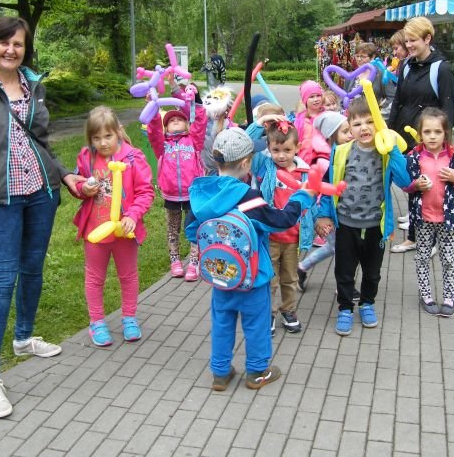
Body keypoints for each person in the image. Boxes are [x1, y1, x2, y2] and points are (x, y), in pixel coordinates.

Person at [0, 16, 84, 419]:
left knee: (33, 269)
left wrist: (65, 175)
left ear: (26, 49)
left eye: (19, 44)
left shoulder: (32, 85)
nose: (11, 50)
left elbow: (40, 143)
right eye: (4, 42)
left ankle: (23, 338)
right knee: (1, 281)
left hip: (40, 195)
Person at [184, 128, 315, 390]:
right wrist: (302, 197)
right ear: (246, 163)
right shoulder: (248, 198)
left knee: (222, 323)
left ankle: (220, 373)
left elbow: (191, 231)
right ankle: (256, 372)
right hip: (253, 278)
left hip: (220, 276)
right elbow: (282, 221)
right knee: (256, 325)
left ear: (216, 160)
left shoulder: (202, 194)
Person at [315, 96, 411, 336]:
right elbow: (328, 186)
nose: (364, 128)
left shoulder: (385, 153)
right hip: (346, 224)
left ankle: (367, 303)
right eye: (357, 124)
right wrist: (323, 215)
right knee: (344, 271)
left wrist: (393, 149)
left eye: (370, 122)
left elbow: (405, 181)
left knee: (372, 272)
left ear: (379, 124)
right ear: (349, 127)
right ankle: (345, 308)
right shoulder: (341, 152)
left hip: (376, 225)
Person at [72, 106, 154, 345]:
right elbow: (77, 184)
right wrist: (83, 189)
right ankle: (96, 322)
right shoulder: (86, 157)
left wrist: (133, 216)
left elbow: (146, 192)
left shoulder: (133, 157)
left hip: (125, 232)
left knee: (128, 275)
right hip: (95, 231)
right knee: (94, 277)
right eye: (96, 138)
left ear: (118, 131)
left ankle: (129, 318)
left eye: (108, 136)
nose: (103, 143)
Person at [403, 108, 454, 317]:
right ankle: (426, 295)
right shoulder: (414, 156)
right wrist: (416, 185)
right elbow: (406, 185)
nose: (432, 136)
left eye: (437, 132)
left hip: (447, 218)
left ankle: (449, 298)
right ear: (420, 134)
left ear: (445, 133)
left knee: (448, 258)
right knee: (422, 257)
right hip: (423, 218)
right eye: (427, 132)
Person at [250, 121, 316, 335]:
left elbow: (311, 201)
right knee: (270, 280)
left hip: (293, 237)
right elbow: (248, 144)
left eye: (287, 150)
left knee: (290, 278)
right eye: (276, 150)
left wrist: (317, 221)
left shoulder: (305, 173)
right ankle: (268, 313)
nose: (281, 155)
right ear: (268, 148)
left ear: (297, 148)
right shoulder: (264, 166)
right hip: (269, 236)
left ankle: (288, 310)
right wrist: (259, 124)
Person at [147, 87, 207, 281]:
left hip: (192, 194)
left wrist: (197, 101)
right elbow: (153, 130)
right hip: (171, 194)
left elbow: (200, 123)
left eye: (179, 119)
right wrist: (153, 108)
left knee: (194, 227)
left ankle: (194, 262)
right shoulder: (162, 145)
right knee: (173, 229)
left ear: (186, 124)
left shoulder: (194, 141)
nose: (175, 121)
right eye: (170, 120)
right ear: (165, 128)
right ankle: (175, 261)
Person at [297, 110, 353, 292]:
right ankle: (342, 286)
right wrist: (323, 215)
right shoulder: (329, 160)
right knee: (341, 249)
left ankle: (301, 268)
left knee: (333, 247)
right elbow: (326, 190)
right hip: (327, 211)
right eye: (345, 132)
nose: (351, 134)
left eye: (350, 130)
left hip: (337, 211)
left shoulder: (346, 153)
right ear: (332, 137)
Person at [389, 17, 454, 147]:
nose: (409, 45)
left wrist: (445, 147)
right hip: (402, 141)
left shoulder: (442, 69)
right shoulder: (406, 66)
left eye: (413, 40)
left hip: (427, 144)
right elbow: (397, 101)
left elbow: (447, 110)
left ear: (427, 39)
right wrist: (390, 131)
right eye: (406, 41)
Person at [388, 30, 418, 254]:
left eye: (398, 46)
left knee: (413, 176)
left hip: (417, 132)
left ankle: (417, 224)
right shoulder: (405, 65)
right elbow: (399, 98)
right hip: (403, 129)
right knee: (408, 174)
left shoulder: (437, 67)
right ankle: (412, 215)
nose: (396, 51)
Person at [345, 42, 386, 108]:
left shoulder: (381, 74)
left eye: (363, 56)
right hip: (353, 113)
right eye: (357, 56)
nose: (359, 59)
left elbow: (391, 97)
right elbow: (344, 97)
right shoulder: (351, 76)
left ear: (372, 57)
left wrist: (379, 110)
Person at [294, 80, 325, 165]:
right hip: (305, 161)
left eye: (318, 95)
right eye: (311, 97)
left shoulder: (326, 116)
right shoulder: (300, 119)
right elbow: (295, 140)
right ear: (305, 100)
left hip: (324, 160)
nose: (316, 99)